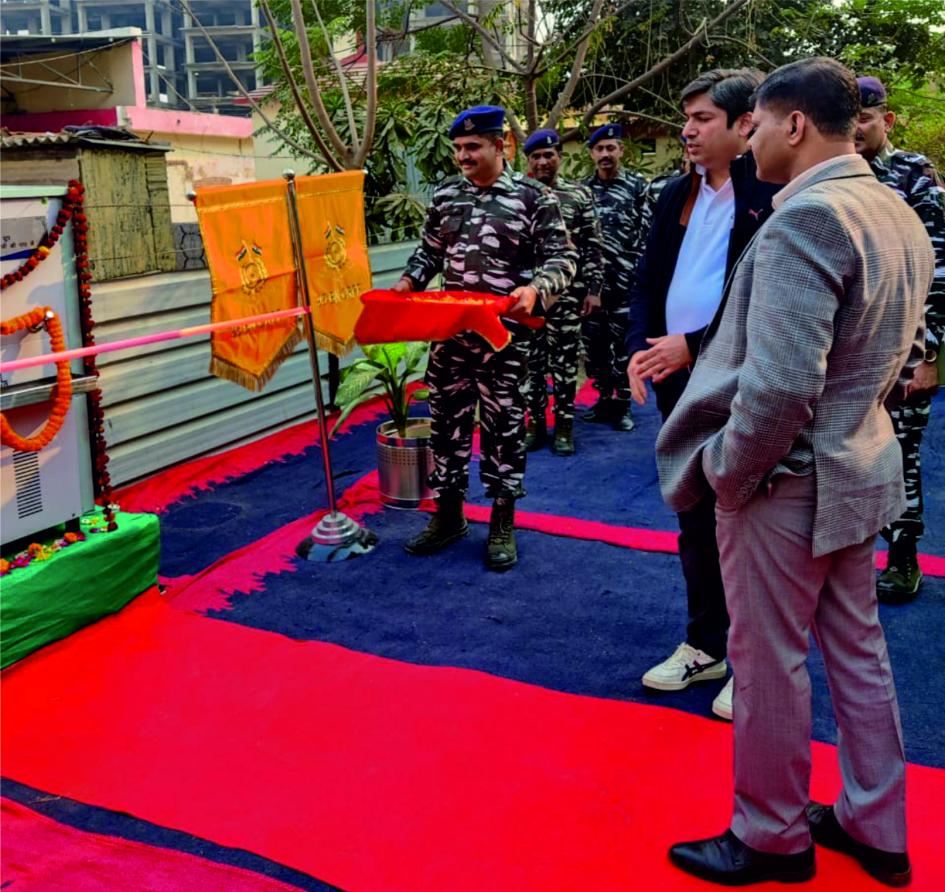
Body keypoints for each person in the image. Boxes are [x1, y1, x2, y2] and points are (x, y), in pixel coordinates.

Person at [657, 58, 932, 886]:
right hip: (857, 463)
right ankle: (875, 824)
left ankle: (771, 835)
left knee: (766, 661)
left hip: (786, 481)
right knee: (858, 652)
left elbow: (779, 387)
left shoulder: (806, 219)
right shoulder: (892, 208)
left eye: (756, 126)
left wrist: (725, 472)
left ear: (794, 125)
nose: (748, 142)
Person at [626, 69, 779, 721]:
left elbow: (768, 299)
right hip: (677, 382)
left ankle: (756, 663)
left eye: (702, 118)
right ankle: (706, 645)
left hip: (741, 381)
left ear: (745, 124)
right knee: (693, 513)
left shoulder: (771, 191)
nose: (687, 130)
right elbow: (646, 277)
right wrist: (639, 346)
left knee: (747, 519)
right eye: (685, 117)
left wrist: (691, 343)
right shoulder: (675, 192)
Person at [393, 106, 576, 571]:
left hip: (504, 340)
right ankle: (449, 515)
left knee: (505, 428)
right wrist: (408, 282)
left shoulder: (533, 198)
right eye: (458, 148)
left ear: (501, 146)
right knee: (445, 425)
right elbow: (429, 252)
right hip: (452, 337)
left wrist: (536, 289)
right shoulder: (446, 195)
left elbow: (563, 260)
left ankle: (501, 518)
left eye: (472, 147)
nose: (463, 156)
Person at [855, 75, 945, 603]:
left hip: (904, 353)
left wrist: (929, 356)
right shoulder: (835, 175)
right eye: (849, 118)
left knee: (900, 455)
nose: (856, 128)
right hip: (849, 351)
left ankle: (904, 556)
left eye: (865, 118)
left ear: (886, 120)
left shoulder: (915, 175)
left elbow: (940, 270)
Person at [523, 128, 605, 455]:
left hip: (567, 295)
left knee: (565, 363)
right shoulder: (520, 194)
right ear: (528, 160)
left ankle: (564, 426)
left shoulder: (579, 195)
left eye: (549, 155)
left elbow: (592, 246)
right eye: (536, 156)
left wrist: (594, 289)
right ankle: (535, 424)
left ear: (560, 156)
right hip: (528, 296)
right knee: (531, 363)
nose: (543, 161)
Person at [580, 123, 649, 432]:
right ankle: (604, 398)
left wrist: (642, 278)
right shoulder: (583, 190)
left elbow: (648, 233)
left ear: (621, 150)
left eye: (611, 148)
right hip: (591, 287)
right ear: (592, 154)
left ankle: (623, 403)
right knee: (594, 346)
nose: (605, 154)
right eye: (599, 149)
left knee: (622, 345)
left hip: (625, 282)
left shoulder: (637, 187)